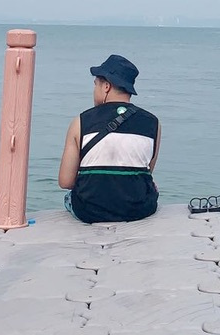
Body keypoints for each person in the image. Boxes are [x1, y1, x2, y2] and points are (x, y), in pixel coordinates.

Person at [59, 54, 161, 223]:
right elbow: (146, 171)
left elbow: (65, 181)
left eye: (95, 85)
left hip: (89, 211)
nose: (94, 91)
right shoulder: (153, 123)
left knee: (69, 197)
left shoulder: (80, 122)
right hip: (138, 210)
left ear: (106, 86)